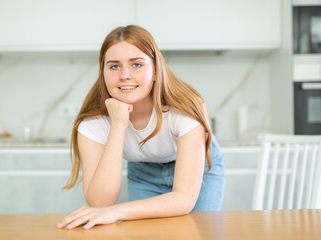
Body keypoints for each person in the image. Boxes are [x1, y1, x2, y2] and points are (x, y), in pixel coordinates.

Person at [57, 25, 225, 230]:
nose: (125, 75)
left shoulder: (186, 108)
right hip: (143, 171)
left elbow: (183, 199)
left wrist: (117, 212)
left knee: (197, 232)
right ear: (103, 72)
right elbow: (101, 203)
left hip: (200, 170)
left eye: (136, 64)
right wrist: (118, 125)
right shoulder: (93, 123)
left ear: (155, 71)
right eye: (114, 66)